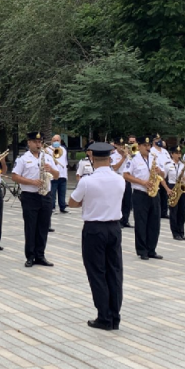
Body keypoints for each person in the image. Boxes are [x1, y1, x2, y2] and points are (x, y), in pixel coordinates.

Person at [67, 142, 124, 331]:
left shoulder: (87, 181)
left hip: (94, 229)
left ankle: (103, 317)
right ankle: (115, 316)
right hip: (115, 227)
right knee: (114, 272)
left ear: (92, 158)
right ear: (110, 159)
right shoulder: (119, 179)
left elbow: (72, 203)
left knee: (97, 273)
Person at [12, 132, 61, 268]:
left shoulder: (48, 157)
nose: (38, 144)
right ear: (29, 143)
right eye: (35, 142)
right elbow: (15, 176)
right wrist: (31, 182)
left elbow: (57, 176)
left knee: (43, 227)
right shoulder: (23, 159)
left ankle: (40, 255)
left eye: (40, 142)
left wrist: (51, 169)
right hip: (30, 196)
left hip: (45, 195)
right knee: (30, 227)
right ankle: (30, 256)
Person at [123, 135, 171, 260]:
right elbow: (126, 175)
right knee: (141, 223)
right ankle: (142, 250)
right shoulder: (133, 159)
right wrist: (142, 182)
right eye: (145, 145)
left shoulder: (154, 157)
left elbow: (163, 174)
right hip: (140, 194)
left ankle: (152, 249)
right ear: (139, 146)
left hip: (154, 193)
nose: (147, 147)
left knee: (154, 223)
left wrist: (159, 171)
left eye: (149, 145)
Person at [166, 146, 185, 241]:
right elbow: (163, 178)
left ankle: (181, 231)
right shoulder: (168, 164)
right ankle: (175, 232)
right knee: (173, 211)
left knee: (182, 211)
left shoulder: (184, 164)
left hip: (182, 187)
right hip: (172, 186)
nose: (178, 155)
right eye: (176, 153)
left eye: (180, 153)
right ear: (172, 154)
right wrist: (167, 189)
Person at [150, 134, 173, 219]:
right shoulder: (151, 151)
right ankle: (158, 212)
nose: (158, 140)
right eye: (156, 139)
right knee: (158, 194)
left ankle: (164, 212)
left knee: (165, 195)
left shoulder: (165, 151)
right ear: (153, 141)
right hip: (157, 175)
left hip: (166, 175)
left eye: (159, 139)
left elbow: (169, 161)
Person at [114, 136, 133, 228]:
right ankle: (119, 221)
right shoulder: (113, 155)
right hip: (117, 179)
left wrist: (127, 156)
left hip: (127, 179)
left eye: (123, 145)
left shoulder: (129, 155)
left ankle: (125, 220)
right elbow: (115, 167)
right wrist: (123, 158)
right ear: (116, 145)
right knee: (119, 201)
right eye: (119, 145)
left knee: (127, 201)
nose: (121, 147)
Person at [49, 134, 69, 214]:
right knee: (52, 192)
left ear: (60, 141)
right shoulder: (48, 149)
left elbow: (65, 161)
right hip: (53, 175)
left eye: (58, 140)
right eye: (54, 140)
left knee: (62, 192)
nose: (56, 142)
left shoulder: (63, 149)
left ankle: (62, 207)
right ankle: (52, 207)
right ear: (51, 141)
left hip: (62, 174)